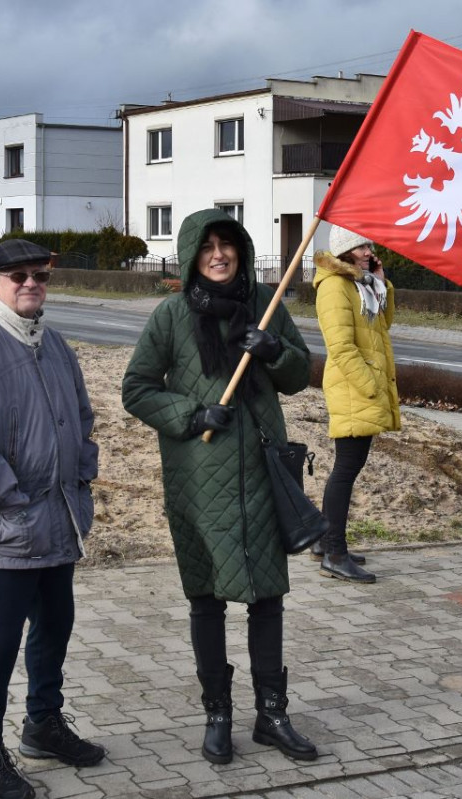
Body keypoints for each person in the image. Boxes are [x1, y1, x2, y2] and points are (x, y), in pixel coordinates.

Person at [121, 209, 318, 765]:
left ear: (241, 251)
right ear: (190, 255)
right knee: (206, 597)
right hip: (197, 479)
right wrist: (191, 412)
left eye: (227, 243)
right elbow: (136, 389)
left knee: (267, 595)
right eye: (207, 245)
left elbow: (300, 377)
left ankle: (272, 715)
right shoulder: (171, 316)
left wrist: (274, 350)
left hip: (259, 475)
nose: (218, 253)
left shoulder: (267, 305)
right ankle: (217, 713)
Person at [0, 239, 105, 799]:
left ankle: (43, 724)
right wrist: (15, 504)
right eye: (18, 276)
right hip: (8, 532)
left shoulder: (56, 345)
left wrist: (82, 480)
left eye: (40, 275)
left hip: (61, 523)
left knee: (55, 629)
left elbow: (82, 419)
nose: (31, 283)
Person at [310, 225, 401, 583]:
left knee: (348, 466)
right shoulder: (334, 287)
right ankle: (334, 552)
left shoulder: (362, 285)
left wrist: (383, 282)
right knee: (347, 467)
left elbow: (384, 324)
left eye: (369, 245)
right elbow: (342, 349)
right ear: (345, 250)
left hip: (361, 388)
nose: (368, 251)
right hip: (353, 389)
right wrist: (371, 387)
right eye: (361, 246)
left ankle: (322, 540)